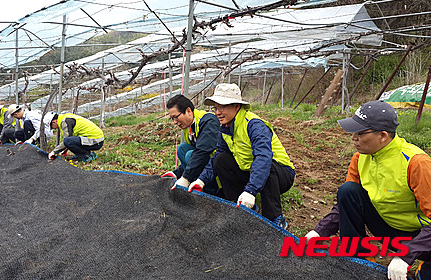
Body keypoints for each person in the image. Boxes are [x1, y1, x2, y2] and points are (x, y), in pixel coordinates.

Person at [304, 100, 431, 280]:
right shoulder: (360, 158)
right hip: (389, 231)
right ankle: (357, 261)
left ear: (383, 136)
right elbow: (345, 204)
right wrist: (319, 232)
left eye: (360, 133)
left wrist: (406, 255)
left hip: (420, 237)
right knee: (348, 191)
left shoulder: (416, 163)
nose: (353, 138)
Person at [189, 83, 295, 229]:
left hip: (281, 174)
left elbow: (263, 158)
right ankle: (243, 206)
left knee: (267, 165)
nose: (218, 112)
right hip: (250, 170)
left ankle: (275, 217)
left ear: (236, 106)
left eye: (223, 107)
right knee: (221, 160)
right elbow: (218, 155)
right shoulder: (225, 128)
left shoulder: (254, 125)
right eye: (216, 108)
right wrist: (201, 180)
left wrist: (251, 190)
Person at [161, 95, 220, 195]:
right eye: (172, 119)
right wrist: (176, 174)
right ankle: (193, 184)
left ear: (188, 111)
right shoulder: (188, 127)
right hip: (205, 163)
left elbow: (201, 153)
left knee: (190, 155)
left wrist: (185, 178)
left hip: (215, 168)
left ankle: (210, 192)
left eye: (176, 117)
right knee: (182, 149)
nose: (175, 122)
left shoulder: (208, 121)